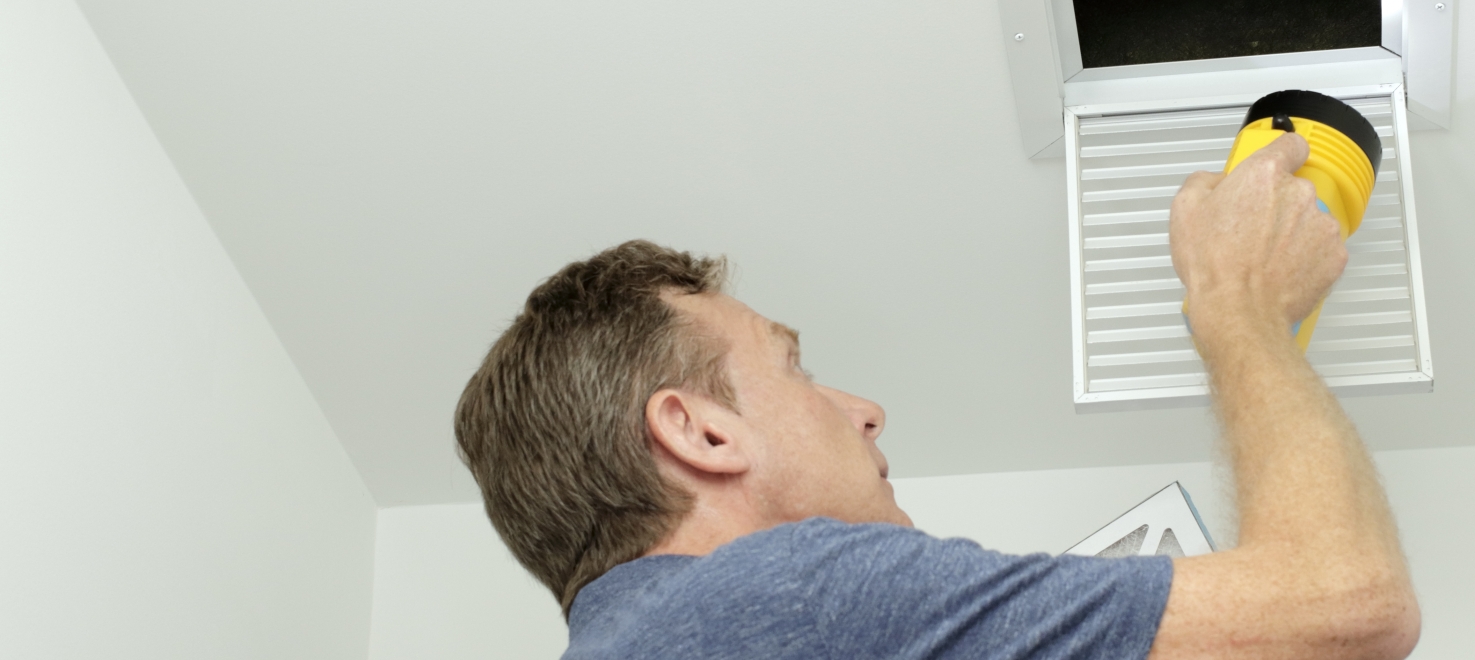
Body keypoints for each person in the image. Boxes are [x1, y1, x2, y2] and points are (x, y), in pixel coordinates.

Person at [454, 133, 1421, 659]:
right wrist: (1241, 309)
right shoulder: (801, 591)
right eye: (791, 366)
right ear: (700, 430)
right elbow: (1350, 607)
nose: (864, 409)